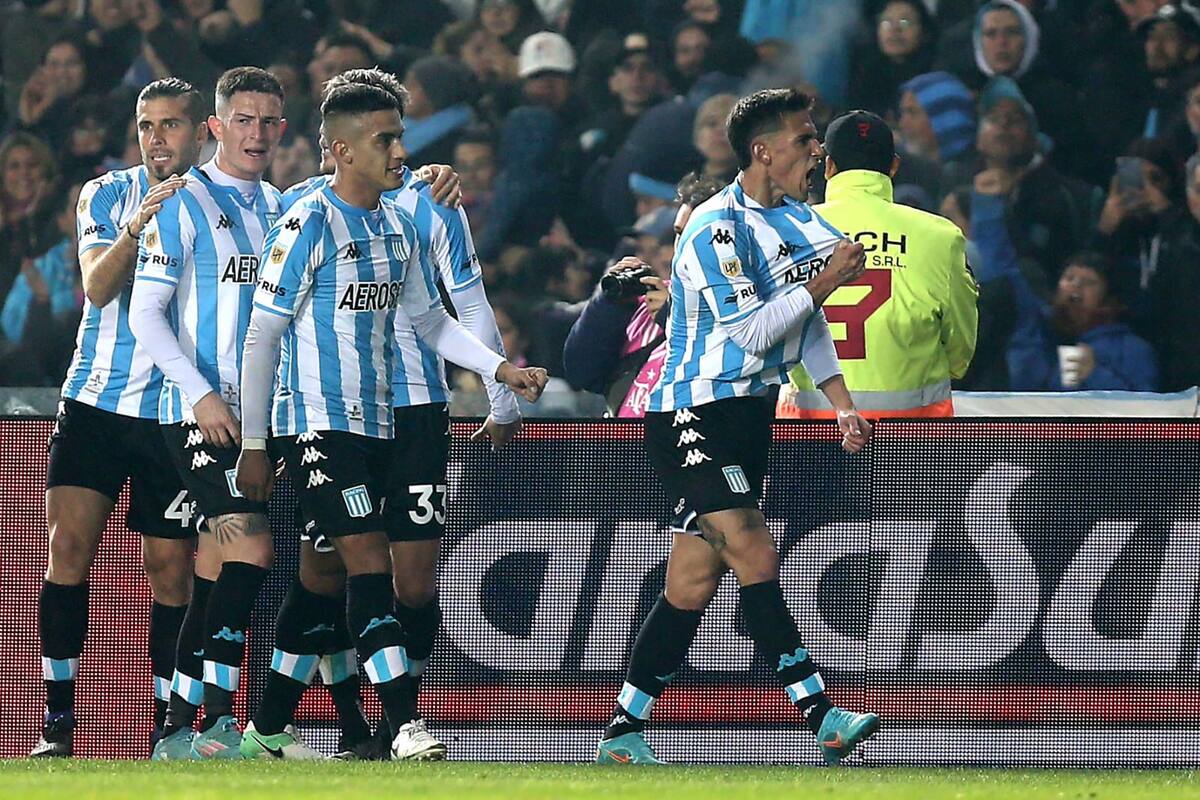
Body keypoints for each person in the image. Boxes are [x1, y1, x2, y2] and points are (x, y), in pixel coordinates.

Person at [234, 79, 547, 760]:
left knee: (346, 575)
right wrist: (255, 443)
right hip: (318, 424)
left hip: (385, 423)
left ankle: (265, 730)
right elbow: (262, 336)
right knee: (366, 565)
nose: (403, 150)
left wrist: (500, 371)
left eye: (401, 136)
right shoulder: (306, 219)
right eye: (387, 139)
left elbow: (432, 320)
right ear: (342, 150)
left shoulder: (399, 224)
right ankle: (402, 724)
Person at [596, 88, 878, 767]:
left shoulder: (805, 226)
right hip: (692, 412)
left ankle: (623, 733)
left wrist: (840, 400)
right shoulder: (716, 228)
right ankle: (821, 714)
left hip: (749, 415)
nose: (817, 152)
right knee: (754, 550)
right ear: (763, 151)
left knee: (692, 581)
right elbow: (753, 333)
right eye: (805, 140)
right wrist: (823, 283)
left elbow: (806, 327)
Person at [29, 78, 206, 759]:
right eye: (146, 124)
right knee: (66, 550)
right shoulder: (105, 195)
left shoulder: (228, 206)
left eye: (170, 124)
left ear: (201, 131)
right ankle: (57, 724)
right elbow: (97, 287)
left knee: (168, 568)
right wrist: (142, 224)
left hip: (174, 412)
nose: (157, 137)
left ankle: (166, 729)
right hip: (97, 402)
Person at [131, 67, 286, 760]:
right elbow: (144, 313)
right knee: (250, 544)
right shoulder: (182, 202)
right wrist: (199, 393)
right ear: (217, 127)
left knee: (221, 566)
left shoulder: (282, 207)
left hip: (261, 417)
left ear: (282, 129)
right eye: (243, 120)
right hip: (197, 412)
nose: (256, 133)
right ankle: (218, 721)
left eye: (269, 121)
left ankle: (180, 726)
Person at [777, 111, 978, 419]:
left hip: (808, 436)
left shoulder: (786, 232)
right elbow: (960, 350)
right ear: (894, 166)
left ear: (828, 167)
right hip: (912, 439)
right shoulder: (940, 236)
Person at [563, 171, 725, 416]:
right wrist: (608, 305)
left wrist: (671, 316)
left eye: (696, 233)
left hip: (691, 443)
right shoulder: (648, 299)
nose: (682, 246)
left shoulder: (742, 303)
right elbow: (581, 372)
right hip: (625, 446)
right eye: (678, 233)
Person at [1008, 252, 1159, 391]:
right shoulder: (1037, 334)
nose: (1076, 285)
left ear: (1108, 301)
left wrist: (1094, 374)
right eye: (1069, 278)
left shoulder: (1132, 349)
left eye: (1089, 282)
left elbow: (1144, 413)